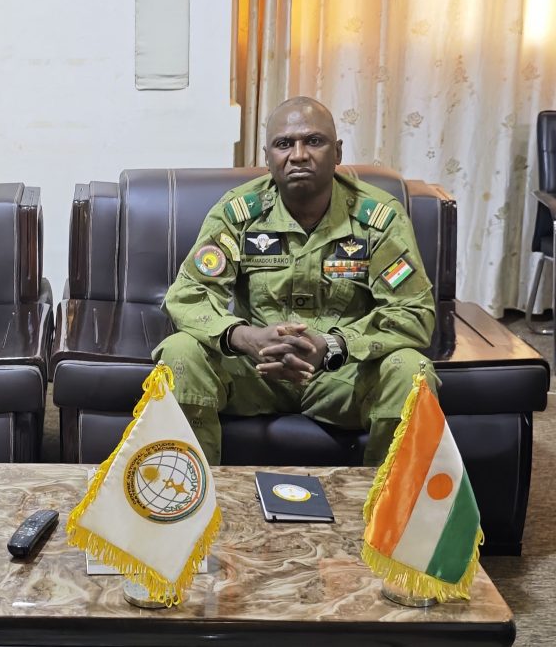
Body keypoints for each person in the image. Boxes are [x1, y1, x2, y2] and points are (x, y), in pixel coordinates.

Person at [153, 96, 437, 466]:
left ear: (337, 152)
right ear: (267, 157)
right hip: (257, 370)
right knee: (180, 352)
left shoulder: (379, 219)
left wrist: (333, 346)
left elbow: (413, 311)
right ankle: (189, 491)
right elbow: (189, 294)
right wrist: (246, 337)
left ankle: (391, 501)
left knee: (411, 370)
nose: (298, 155)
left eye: (313, 141)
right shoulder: (237, 213)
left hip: (342, 373)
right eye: (284, 144)